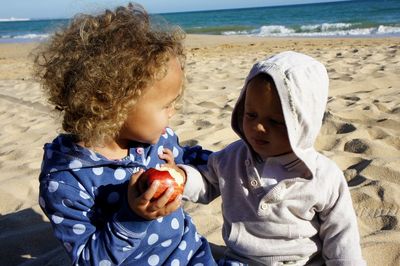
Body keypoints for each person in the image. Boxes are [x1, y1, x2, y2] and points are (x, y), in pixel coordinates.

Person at [35, 3, 217, 265]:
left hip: (190, 254)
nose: (173, 112)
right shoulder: (66, 180)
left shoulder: (156, 138)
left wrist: (231, 161)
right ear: (113, 106)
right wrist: (133, 216)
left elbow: (188, 157)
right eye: (166, 105)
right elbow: (88, 259)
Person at [166, 51, 366, 265]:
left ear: (303, 125)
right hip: (240, 259)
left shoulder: (324, 177)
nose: (258, 127)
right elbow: (207, 182)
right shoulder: (232, 157)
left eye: (276, 122)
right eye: (251, 115)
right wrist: (182, 179)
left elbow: (342, 238)